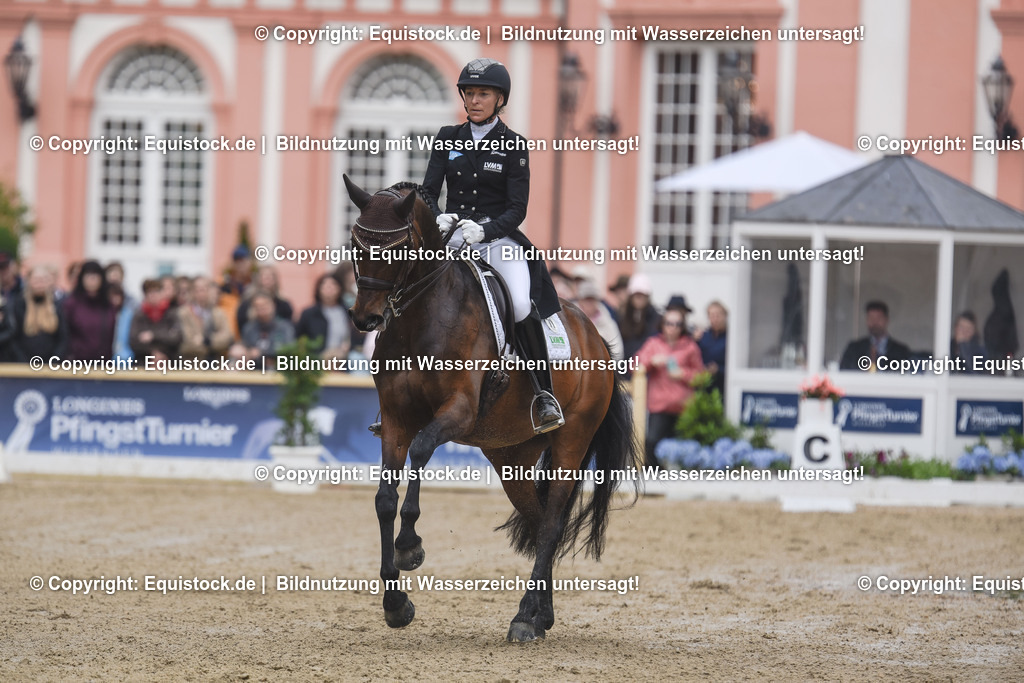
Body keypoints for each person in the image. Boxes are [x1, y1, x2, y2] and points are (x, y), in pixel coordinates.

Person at [421, 57, 562, 433]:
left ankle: (543, 394)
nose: (474, 100)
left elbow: (517, 208)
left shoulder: (513, 145)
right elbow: (428, 191)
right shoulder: (447, 137)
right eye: (469, 93)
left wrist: (486, 232)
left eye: (483, 93)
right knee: (415, 290)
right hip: (453, 236)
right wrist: (438, 216)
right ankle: (400, 392)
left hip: (497, 239)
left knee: (520, 303)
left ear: (500, 99)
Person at [635, 306, 704, 468]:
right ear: (662, 324)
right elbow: (634, 365)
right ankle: (653, 480)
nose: (672, 328)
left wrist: (683, 374)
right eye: (669, 323)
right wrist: (651, 362)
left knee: (683, 451)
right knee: (652, 444)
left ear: (682, 327)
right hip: (659, 407)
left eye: (677, 324)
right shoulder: (653, 344)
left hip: (684, 408)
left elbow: (702, 377)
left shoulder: (690, 347)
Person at [7, 265, 68, 362]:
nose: (40, 284)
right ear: (29, 281)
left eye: (43, 280)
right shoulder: (18, 305)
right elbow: (13, 336)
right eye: (36, 280)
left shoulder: (57, 305)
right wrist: (23, 361)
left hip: (51, 364)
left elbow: (63, 337)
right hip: (23, 364)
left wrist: (55, 359)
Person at [63, 260, 116, 361]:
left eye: (95, 276)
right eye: (88, 276)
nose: (92, 280)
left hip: (102, 362)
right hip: (76, 362)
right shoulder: (71, 304)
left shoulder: (107, 306)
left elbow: (111, 335)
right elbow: (65, 335)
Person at [295, 273, 352, 364]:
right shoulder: (309, 314)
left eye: (333, 285)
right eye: (325, 285)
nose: (329, 288)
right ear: (318, 289)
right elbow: (299, 338)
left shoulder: (348, 312)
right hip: (316, 359)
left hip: (344, 358)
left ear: (340, 288)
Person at [839, 300, 912, 370]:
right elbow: (844, 371)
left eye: (878, 318)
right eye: (871, 318)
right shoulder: (854, 349)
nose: (874, 322)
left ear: (886, 320)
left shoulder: (901, 351)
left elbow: (906, 373)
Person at [179, 276, 234, 360]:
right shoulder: (184, 313)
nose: (201, 292)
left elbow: (227, 336)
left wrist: (207, 340)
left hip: (215, 361)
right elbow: (187, 341)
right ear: (192, 291)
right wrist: (213, 345)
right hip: (193, 361)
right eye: (198, 289)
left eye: (204, 288)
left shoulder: (218, 312)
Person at [231, 292, 294, 364]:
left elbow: (289, 349)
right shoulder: (249, 328)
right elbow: (245, 347)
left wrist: (262, 353)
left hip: (278, 365)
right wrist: (246, 352)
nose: (262, 308)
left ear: (273, 305)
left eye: (265, 304)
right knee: (236, 351)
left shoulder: (285, 327)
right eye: (257, 306)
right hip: (253, 365)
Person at [129, 278, 182, 362]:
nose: (153, 295)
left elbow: (176, 338)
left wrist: (153, 336)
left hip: (170, 360)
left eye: (156, 291)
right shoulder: (139, 316)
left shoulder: (171, 314)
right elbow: (134, 342)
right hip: (144, 361)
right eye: (149, 292)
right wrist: (152, 353)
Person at [618, 273, 661, 364]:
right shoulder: (623, 318)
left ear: (647, 297)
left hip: (647, 367)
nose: (639, 298)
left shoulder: (657, 320)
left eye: (642, 295)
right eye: (636, 295)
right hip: (626, 367)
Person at [577, 280, 624, 360]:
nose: (589, 303)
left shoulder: (608, 322)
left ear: (597, 301)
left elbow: (618, 351)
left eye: (592, 299)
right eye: (586, 299)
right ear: (580, 300)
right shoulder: (572, 320)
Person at [696, 300, 728, 400]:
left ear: (725, 316)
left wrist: (719, 369)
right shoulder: (703, 337)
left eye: (718, 315)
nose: (715, 319)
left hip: (723, 387)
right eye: (712, 316)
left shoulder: (731, 338)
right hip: (704, 387)